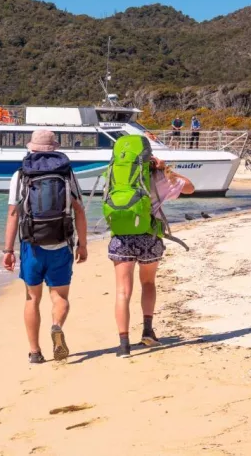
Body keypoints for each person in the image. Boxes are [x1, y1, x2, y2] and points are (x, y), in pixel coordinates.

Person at [2, 130, 88, 364]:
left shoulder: (20, 175)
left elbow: (13, 214)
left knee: (32, 298)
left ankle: (35, 352)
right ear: (54, 148)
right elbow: (79, 211)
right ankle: (56, 326)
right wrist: (83, 244)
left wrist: (8, 250)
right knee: (60, 296)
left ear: (31, 148)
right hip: (61, 244)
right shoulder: (67, 174)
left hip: (32, 246)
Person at [107, 150, 194, 358]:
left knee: (122, 291)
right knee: (148, 283)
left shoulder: (116, 178)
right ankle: (147, 330)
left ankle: (124, 345)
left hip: (121, 238)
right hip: (149, 237)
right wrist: (164, 169)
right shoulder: (160, 178)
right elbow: (190, 188)